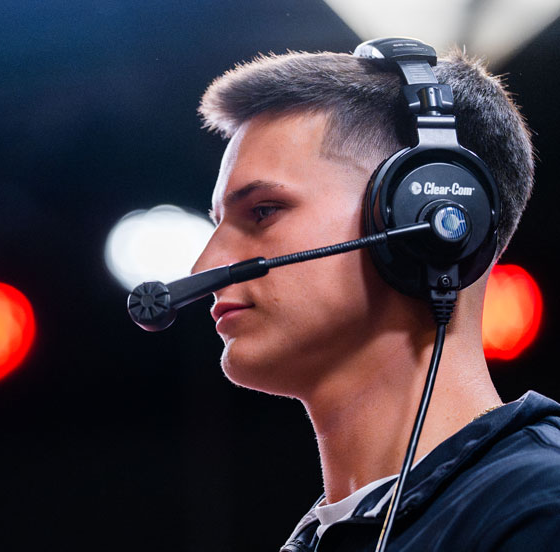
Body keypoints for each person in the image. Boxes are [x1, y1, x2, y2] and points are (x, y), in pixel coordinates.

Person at [190, 42, 560, 550]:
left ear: (424, 220)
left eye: (263, 211)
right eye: (217, 225)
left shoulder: (540, 509)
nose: (204, 267)